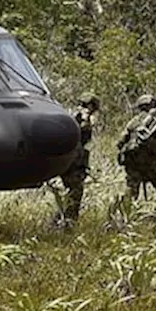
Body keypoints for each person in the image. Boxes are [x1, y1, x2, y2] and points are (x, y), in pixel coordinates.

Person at [113, 94, 156, 219]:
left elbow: (120, 142)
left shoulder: (133, 122)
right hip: (152, 164)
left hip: (133, 164)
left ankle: (125, 217)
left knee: (131, 191)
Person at [56, 92, 100, 225]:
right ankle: (66, 222)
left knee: (71, 191)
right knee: (75, 192)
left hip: (68, 158)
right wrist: (88, 119)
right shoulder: (83, 115)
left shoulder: (69, 113)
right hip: (74, 160)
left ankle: (62, 220)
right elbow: (83, 129)